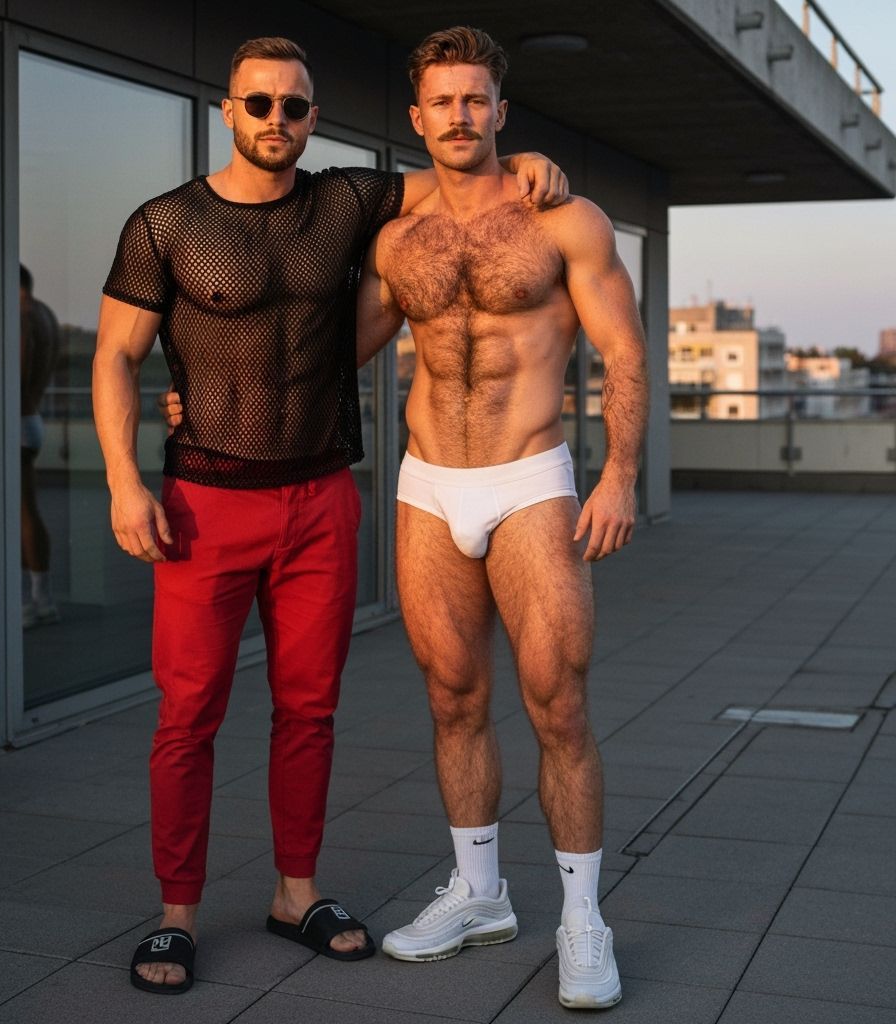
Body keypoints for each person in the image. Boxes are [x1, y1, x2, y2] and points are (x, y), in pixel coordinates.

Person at [92, 34, 567, 995]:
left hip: (317, 498)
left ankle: (294, 892)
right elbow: (112, 358)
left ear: (314, 118)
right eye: (259, 105)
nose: (278, 122)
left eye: (296, 108)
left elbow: (457, 171)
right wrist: (122, 480)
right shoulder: (165, 224)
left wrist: (521, 161)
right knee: (188, 716)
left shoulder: (347, 200)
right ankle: (176, 913)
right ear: (227, 111)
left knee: (309, 711)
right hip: (203, 502)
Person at [356, 26, 649, 1011]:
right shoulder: (395, 236)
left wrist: (619, 475)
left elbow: (623, 350)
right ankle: (480, 894)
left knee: (556, 702)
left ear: (500, 110)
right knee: (452, 700)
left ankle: (582, 920)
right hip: (427, 484)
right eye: (441, 101)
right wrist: (200, 396)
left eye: (475, 99)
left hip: (530, 479)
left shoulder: (563, 218)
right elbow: (330, 349)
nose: (459, 116)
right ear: (415, 117)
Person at [19, 264, 60, 629]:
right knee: (25, 508)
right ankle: (38, 595)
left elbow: (15, 370)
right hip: (32, 419)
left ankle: (36, 598)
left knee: (21, 511)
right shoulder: (46, 314)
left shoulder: (21, 315)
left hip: (14, 420)